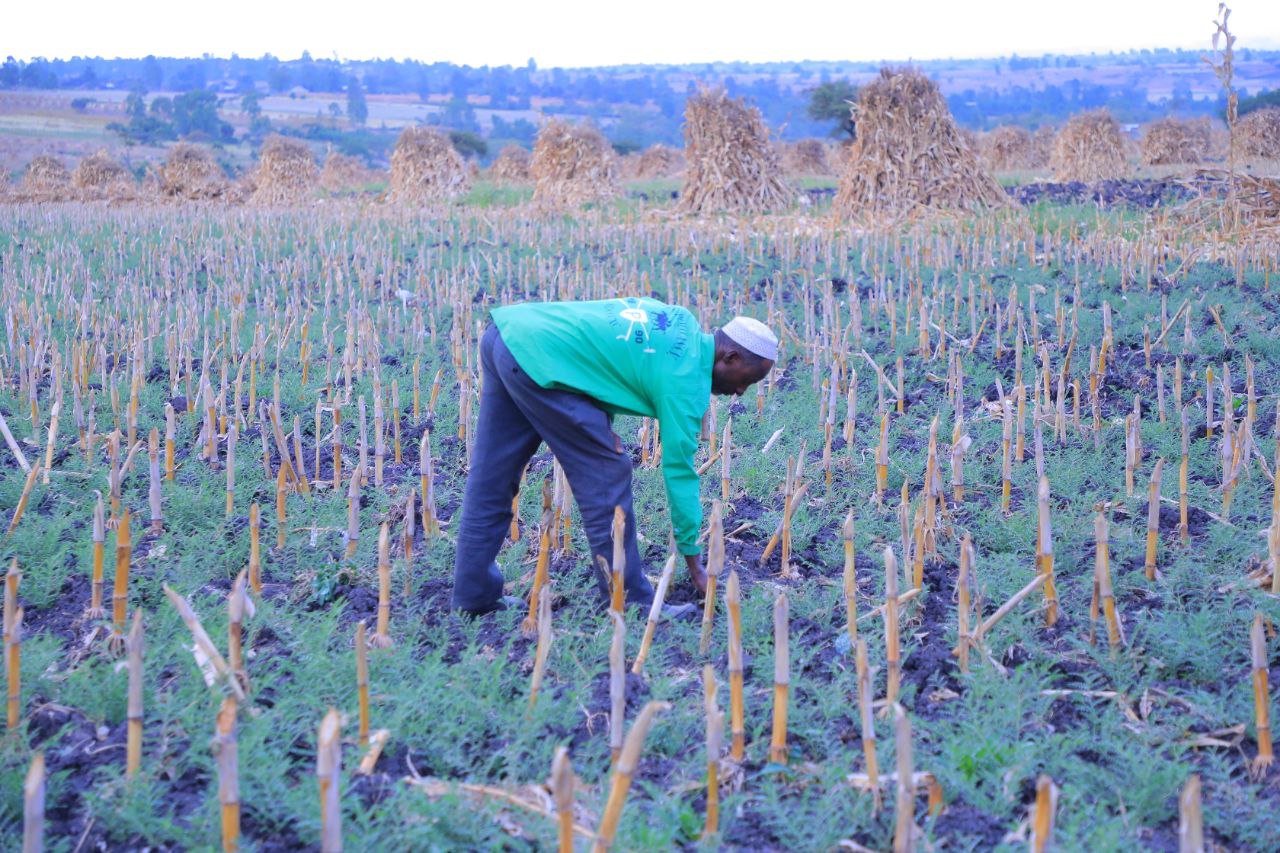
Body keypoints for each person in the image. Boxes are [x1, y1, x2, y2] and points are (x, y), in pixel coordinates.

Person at [450, 296, 777, 616]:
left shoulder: (681, 319)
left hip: (508, 336)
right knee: (607, 472)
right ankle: (631, 602)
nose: (741, 391)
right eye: (747, 381)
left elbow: (610, 359)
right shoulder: (686, 381)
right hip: (542, 360)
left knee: (492, 477)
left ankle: (473, 595)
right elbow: (680, 473)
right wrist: (694, 563)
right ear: (730, 357)